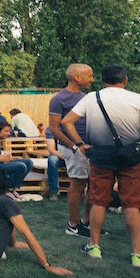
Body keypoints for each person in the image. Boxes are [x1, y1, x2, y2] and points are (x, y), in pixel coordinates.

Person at [61, 64, 140, 267]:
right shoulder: (138, 99)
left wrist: (79, 144)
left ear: (103, 81)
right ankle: (138, 254)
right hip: (131, 156)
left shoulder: (91, 98)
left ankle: (94, 246)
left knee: (98, 200)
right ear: (125, 80)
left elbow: (67, 121)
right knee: (132, 204)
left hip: (100, 155)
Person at [49, 63, 95, 237]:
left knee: (94, 184)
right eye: (89, 76)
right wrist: (74, 145)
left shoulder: (87, 97)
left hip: (89, 146)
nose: (92, 79)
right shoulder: (59, 99)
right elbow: (54, 128)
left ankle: (86, 222)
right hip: (74, 148)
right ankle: (73, 224)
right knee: (78, 183)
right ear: (77, 78)